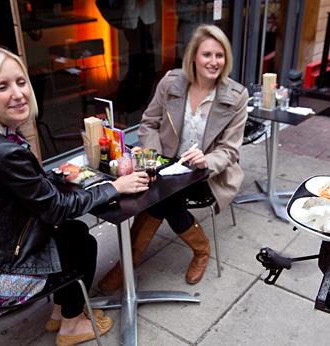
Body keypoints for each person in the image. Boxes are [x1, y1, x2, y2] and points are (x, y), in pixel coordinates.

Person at [0, 46, 150, 346]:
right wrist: (115, 186)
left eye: (21, 82)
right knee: (81, 243)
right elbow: (57, 209)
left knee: (74, 234)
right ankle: (71, 325)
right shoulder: (4, 150)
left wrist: (56, 177)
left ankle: (61, 313)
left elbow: (19, 187)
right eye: (2, 86)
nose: (18, 93)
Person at [99, 24, 248, 289]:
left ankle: (130, 264)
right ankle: (198, 249)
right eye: (207, 55)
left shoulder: (236, 96)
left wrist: (207, 160)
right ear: (193, 56)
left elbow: (230, 149)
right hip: (166, 164)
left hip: (207, 173)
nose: (214, 62)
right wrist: (155, 156)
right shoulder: (171, 83)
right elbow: (148, 123)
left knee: (161, 199)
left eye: (220, 55)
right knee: (158, 193)